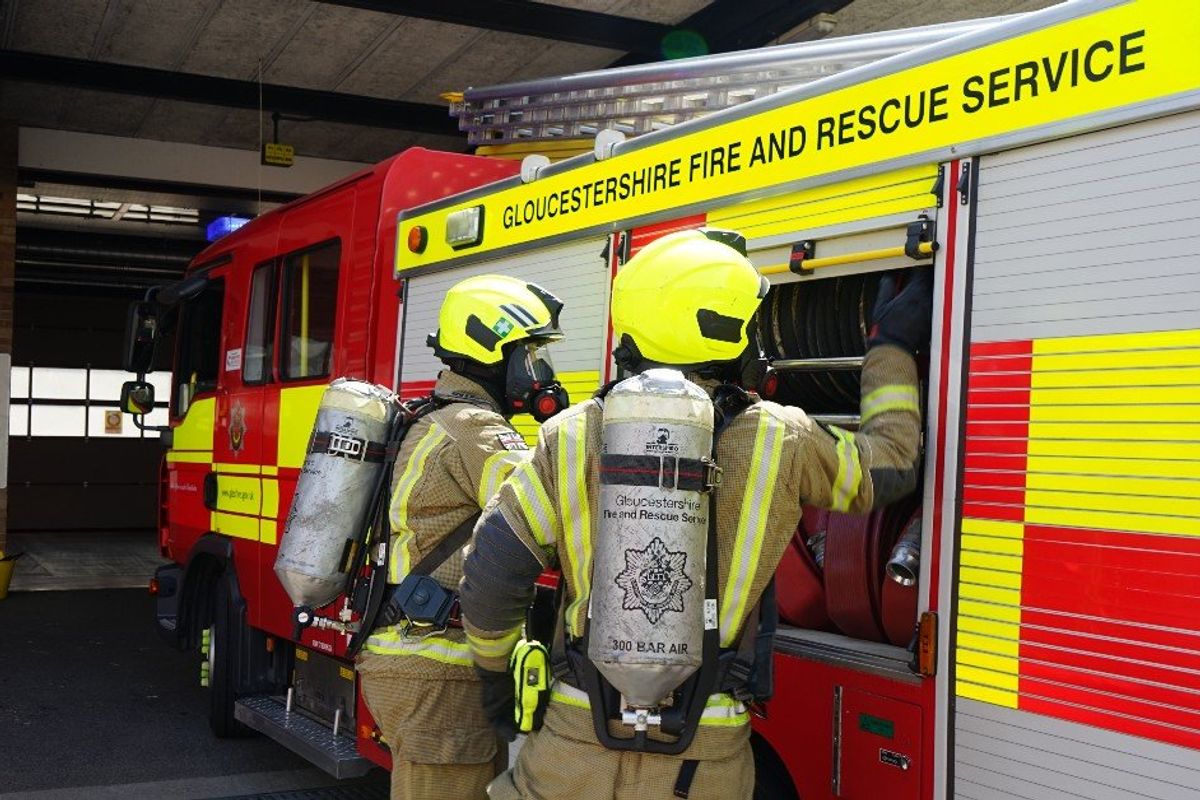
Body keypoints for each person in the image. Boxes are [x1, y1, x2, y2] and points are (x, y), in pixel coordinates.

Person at [459, 229, 931, 800]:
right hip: (701, 760)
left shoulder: (572, 433)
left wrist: (494, 678)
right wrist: (892, 349)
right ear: (723, 333)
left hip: (571, 747)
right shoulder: (783, 439)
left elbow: (492, 571)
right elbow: (893, 464)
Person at [357, 274, 569, 800]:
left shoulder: (441, 419)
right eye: (532, 351)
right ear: (498, 351)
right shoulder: (475, 428)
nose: (540, 368)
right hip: (437, 665)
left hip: (425, 660)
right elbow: (549, 516)